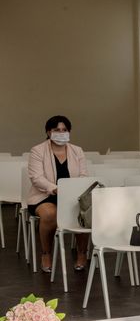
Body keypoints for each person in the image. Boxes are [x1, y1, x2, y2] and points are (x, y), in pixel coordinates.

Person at [27, 115, 89, 273]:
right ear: (48, 132)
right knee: (49, 214)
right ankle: (46, 254)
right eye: (56, 130)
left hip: (71, 196)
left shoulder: (77, 151)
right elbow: (37, 178)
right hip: (44, 196)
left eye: (64, 130)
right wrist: (56, 189)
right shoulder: (37, 150)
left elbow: (83, 175)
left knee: (84, 212)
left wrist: (71, 191)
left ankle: (82, 253)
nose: (61, 133)